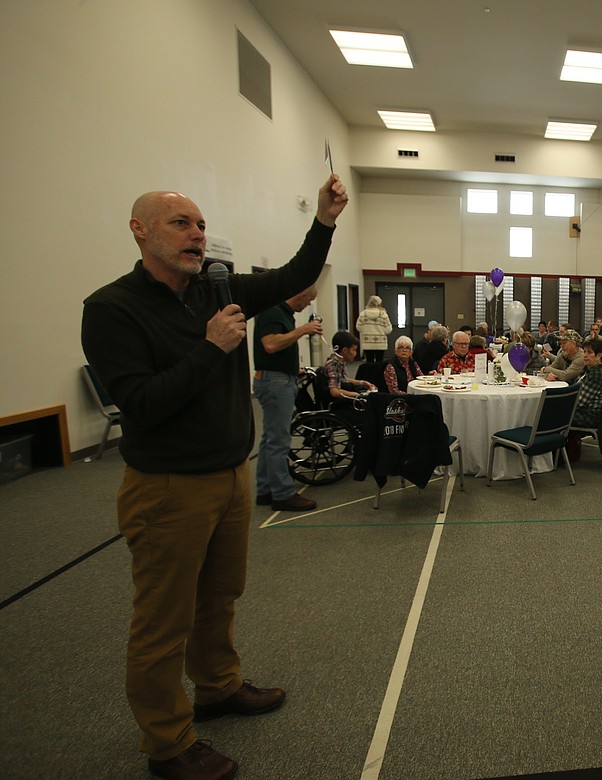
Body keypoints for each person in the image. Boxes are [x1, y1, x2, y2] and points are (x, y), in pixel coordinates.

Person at [80, 175, 348, 779]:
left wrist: (325, 220)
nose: (196, 234)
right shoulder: (111, 309)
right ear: (139, 230)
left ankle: (218, 688)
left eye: (200, 225)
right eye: (180, 223)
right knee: (162, 622)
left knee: (219, 598)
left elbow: (292, 274)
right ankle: (168, 743)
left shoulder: (217, 289)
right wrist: (210, 348)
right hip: (169, 487)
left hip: (231, 476)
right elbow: (142, 406)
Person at [252, 285, 321, 512]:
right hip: (275, 383)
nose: (309, 304)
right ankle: (282, 493)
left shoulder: (281, 313)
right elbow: (271, 344)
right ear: (300, 295)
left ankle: (265, 489)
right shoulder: (274, 312)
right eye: (309, 299)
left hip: (278, 378)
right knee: (279, 440)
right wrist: (303, 330)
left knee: (269, 438)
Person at [324, 331, 376, 400]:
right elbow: (335, 392)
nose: (355, 353)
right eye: (354, 350)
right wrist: (359, 395)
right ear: (345, 350)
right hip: (339, 404)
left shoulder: (338, 361)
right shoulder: (334, 364)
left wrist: (362, 383)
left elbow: (342, 379)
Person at [573, 337, 602, 428]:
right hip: (581, 410)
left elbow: (578, 402)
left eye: (589, 352)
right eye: (584, 351)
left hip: (588, 416)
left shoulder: (597, 375)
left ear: (599, 356)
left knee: (548, 414)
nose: (585, 355)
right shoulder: (589, 368)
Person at [355, 295, 391, 362]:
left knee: (369, 362)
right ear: (378, 304)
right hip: (381, 343)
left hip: (368, 343)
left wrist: (366, 330)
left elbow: (358, 327)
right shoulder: (383, 314)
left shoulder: (363, 314)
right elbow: (388, 329)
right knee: (379, 363)